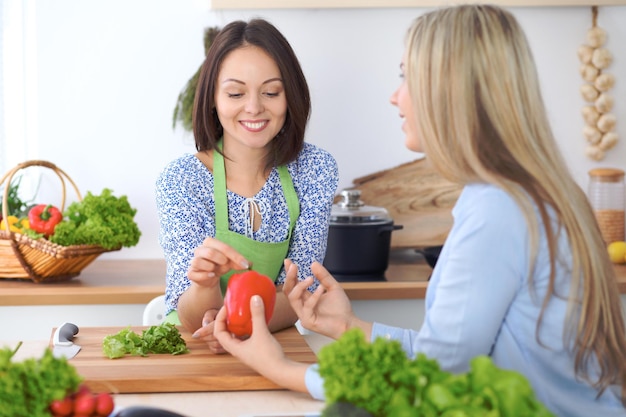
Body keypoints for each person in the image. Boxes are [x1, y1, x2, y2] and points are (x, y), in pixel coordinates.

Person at [213, 5, 626, 416]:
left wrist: (281, 369)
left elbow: (435, 377)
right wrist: (347, 327)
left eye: (405, 76)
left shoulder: (498, 210)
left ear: (449, 90)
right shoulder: (522, 192)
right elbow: (444, 353)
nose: (396, 95)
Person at [156, 18, 339, 351]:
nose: (254, 107)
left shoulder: (314, 170)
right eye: (236, 93)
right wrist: (205, 284)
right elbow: (188, 312)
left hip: (270, 345)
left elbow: (301, 290)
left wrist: (239, 326)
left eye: (271, 92)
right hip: (194, 347)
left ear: (290, 96)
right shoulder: (181, 180)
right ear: (213, 98)